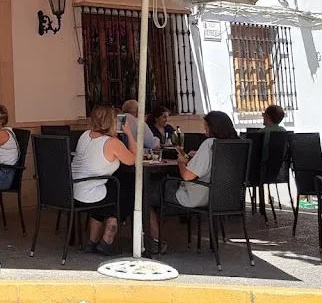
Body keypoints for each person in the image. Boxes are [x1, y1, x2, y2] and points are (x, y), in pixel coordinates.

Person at [146, 110, 238, 255]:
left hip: (196, 197)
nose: (205, 130)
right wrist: (197, 157)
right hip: (223, 197)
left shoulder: (209, 144)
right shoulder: (234, 145)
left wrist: (181, 162)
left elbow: (187, 176)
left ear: (213, 128)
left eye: (206, 127)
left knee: (144, 194)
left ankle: (156, 241)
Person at [72, 104, 138, 256]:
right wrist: (129, 133)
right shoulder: (111, 142)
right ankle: (108, 238)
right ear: (111, 122)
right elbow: (133, 160)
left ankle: (92, 240)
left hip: (75, 192)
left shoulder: (85, 135)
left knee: (116, 183)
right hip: (92, 196)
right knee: (127, 188)